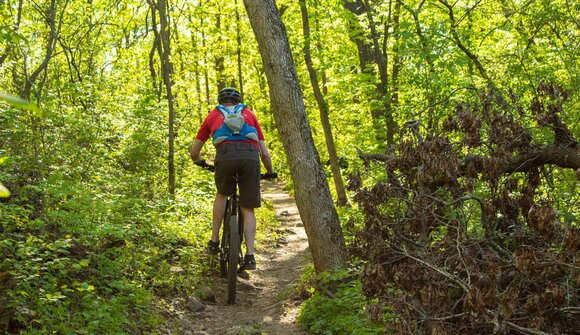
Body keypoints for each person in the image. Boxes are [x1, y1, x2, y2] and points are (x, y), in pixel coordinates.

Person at [190, 87, 276, 270]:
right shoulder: (249, 114)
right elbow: (265, 155)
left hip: (225, 156)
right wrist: (270, 172)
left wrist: (200, 162)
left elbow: (194, 152)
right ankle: (250, 255)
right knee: (248, 207)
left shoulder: (213, 116)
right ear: (238, 101)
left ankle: (214, 240)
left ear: (220, 101)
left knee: (222, 194)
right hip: (250, 157)